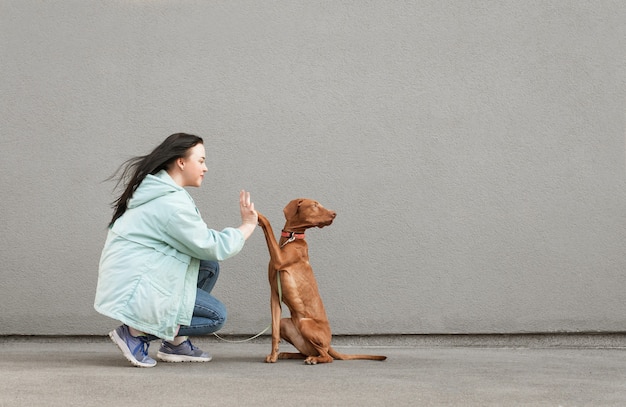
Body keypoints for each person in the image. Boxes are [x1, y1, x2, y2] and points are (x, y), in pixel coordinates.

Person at [94, 133, 258, 368]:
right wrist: (247, 226)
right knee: (215, 316)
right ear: (181, 162)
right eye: (201, 161)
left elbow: (201, 249)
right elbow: (211, 245)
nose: (206, 168)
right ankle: (134, 333)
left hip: (139, 278)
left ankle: (175, 341)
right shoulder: (169, 203)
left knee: (208, 266)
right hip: (137, 286)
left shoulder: (162, 191)